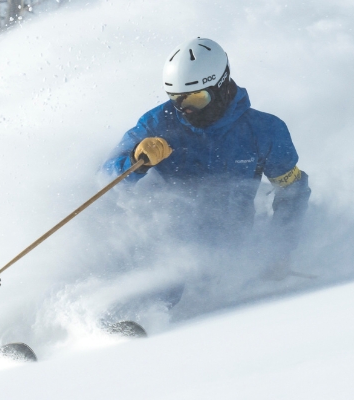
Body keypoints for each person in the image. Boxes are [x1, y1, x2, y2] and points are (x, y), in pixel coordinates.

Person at [102, 38, 311, 311]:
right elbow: (106, 178)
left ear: (222, 86)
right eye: (176, 100)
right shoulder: (157, 124)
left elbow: (292, 189)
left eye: (196, 98)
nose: (185, 110)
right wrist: (134, 161)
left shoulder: (262, 130)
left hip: (229, 246)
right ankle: (119, 325)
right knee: (166, 270)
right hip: (167, 237)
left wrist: (279, 250)